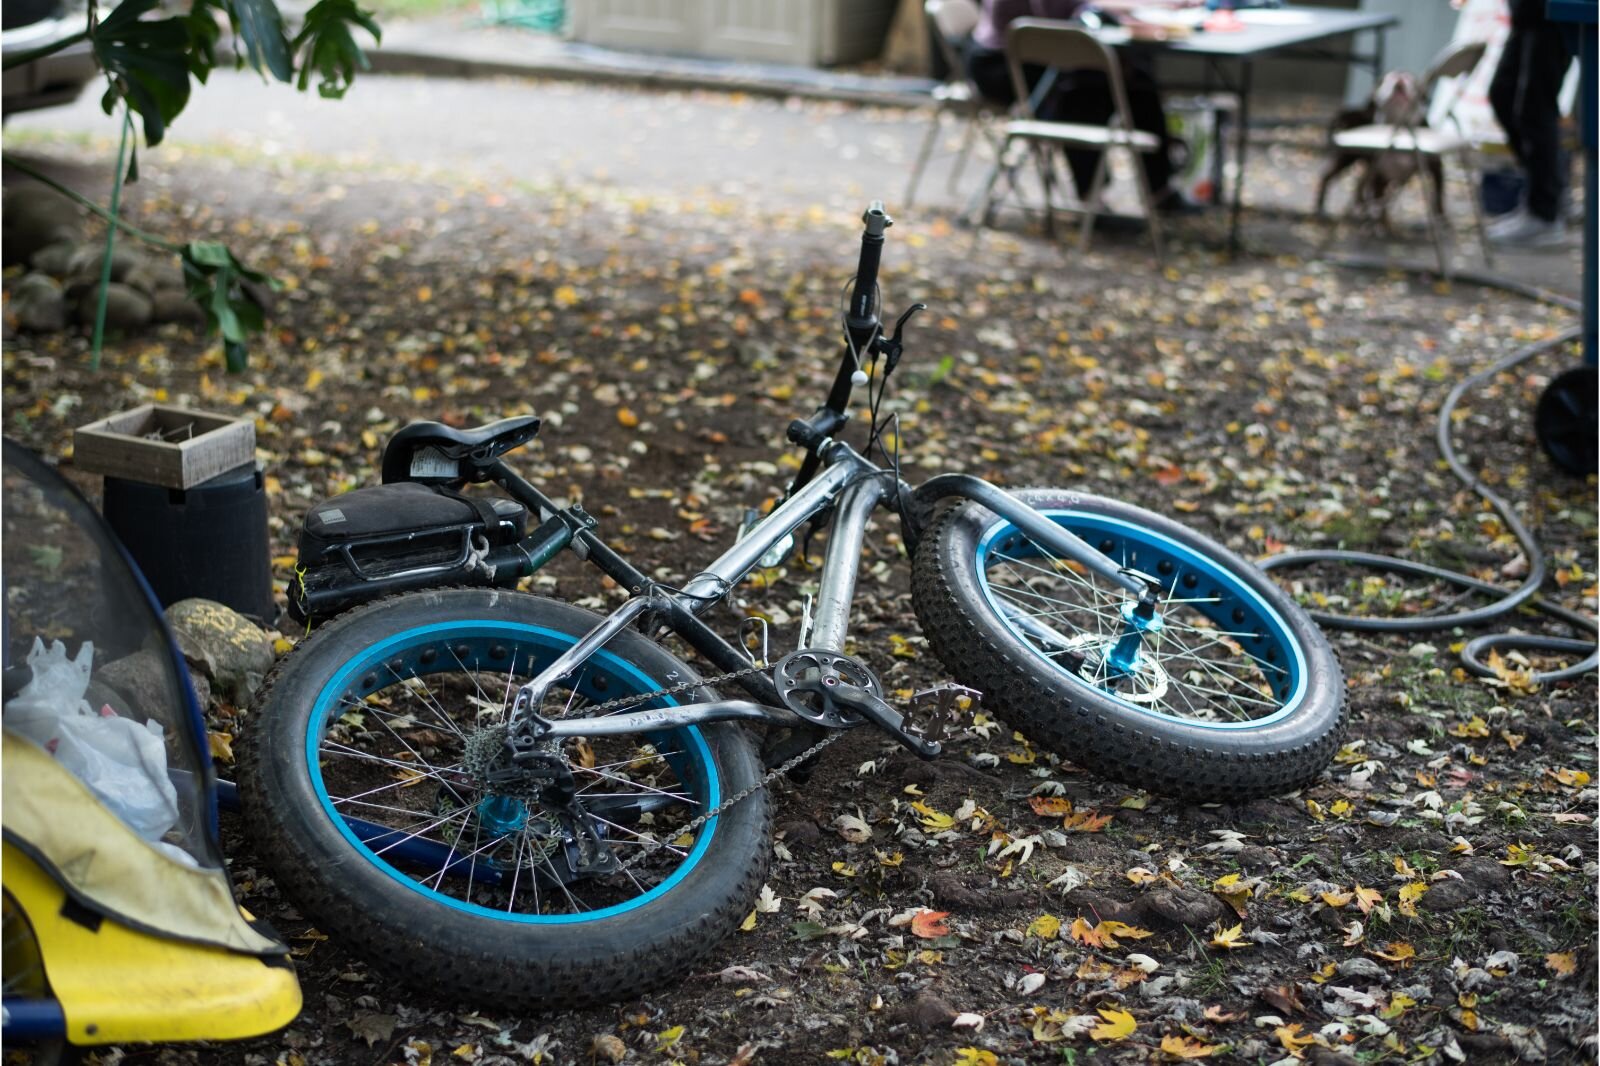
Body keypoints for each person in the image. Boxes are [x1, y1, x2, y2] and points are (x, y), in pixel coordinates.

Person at [963, 0, 1204, 212]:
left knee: (1137, 82)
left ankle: (1158, 189)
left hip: (1044, 55)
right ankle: (1091, 198)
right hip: (1004, 64)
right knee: (1088, 89)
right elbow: (1063, 18)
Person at [1480, 0, 1574, 247]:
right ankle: (1549, 191)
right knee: (1503, 95)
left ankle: (1544, 212)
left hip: (1550, 14)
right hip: (1526, 14)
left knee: (1534, 110)